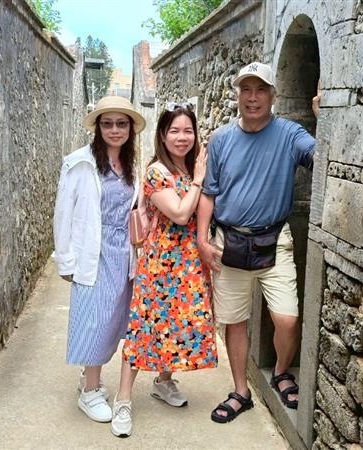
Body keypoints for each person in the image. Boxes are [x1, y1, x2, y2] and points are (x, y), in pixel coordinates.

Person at [196, 62, 321, 423]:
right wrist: (202, 239)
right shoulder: (221, 139)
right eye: (246, 90)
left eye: (261, 89)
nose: (253, 98)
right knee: (235, 321)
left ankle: (281, 371)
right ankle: (241, 391)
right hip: (229, 241)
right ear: (238, 95)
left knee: (287, 319)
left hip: (275, 240)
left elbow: (321, 159)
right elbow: (209, 193)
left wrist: (323, 119)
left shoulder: (290, 134)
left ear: (273, 95)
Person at [110, 102, 218, 438]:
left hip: (189, 263)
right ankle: (123, 400)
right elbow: (181, 214)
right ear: (162, 134)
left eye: (188, 130)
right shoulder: (157, 172)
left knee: (178, 324)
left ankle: (163, 380)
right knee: (144, 328)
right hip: (160, 264)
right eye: (175, 131)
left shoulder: (189, 168)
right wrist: (199, 180)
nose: (182, 137)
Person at [53, 96, 146, 423]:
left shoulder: (132, 166)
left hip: (123, 252)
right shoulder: (79, 163)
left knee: (114, 320)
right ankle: (90, 390)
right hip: (93, 250)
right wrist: (65, 260)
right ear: (98, 128)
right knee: (93, 319)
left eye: (121, 124)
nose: (114, 130)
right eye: (108, 124)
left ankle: (88, 379)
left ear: (130, 128)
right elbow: (63, 213)